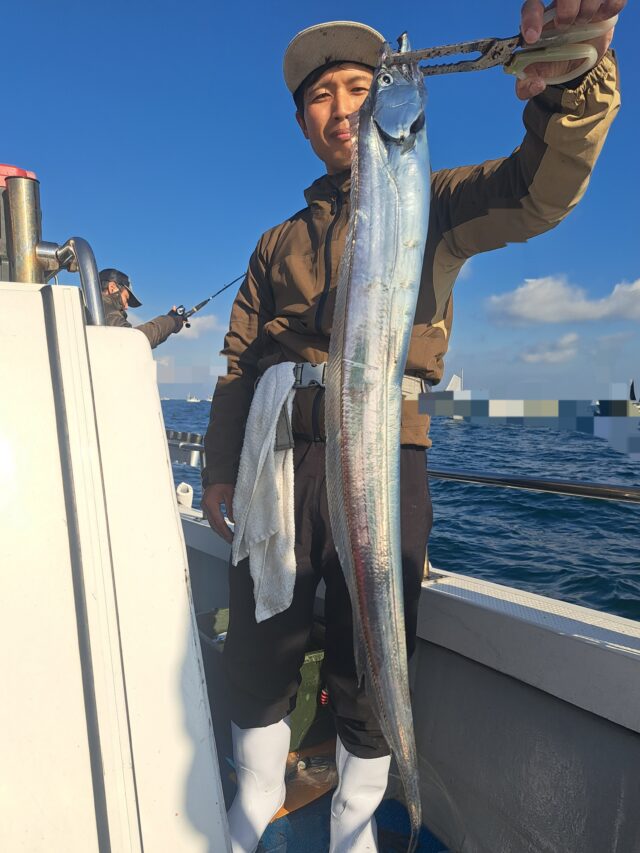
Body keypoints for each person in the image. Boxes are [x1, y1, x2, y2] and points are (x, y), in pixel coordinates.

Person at [201, 4, 623, 851]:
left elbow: (537, 189)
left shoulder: (432, 199)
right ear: (302, 121)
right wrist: (218, 469)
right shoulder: (275, 244)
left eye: (359, 86)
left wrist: (576, 83)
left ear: (389, 101)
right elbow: (239, 362)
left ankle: (354, 822)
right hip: (277, 464)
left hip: (386, 456)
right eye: (321, 95)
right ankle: (253, 800)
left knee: (374, 645)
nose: (342, 106)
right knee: (261, 641)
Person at [99, 267, 186, 349]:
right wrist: (172, 321)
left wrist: (169, 321)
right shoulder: (103, 310)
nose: (126, 307)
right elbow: (134, 341)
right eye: (126, 298)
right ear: (112, 288)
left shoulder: (100, 312)